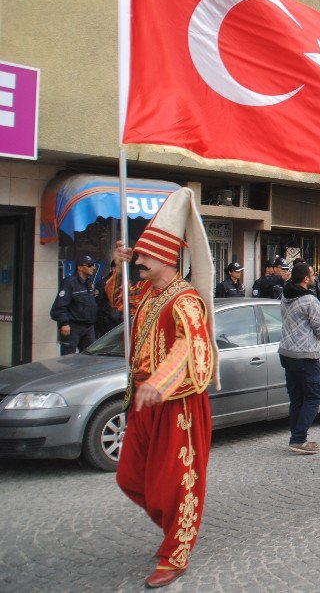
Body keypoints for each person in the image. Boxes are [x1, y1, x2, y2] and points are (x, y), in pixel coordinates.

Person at [106, 188, 218, 589]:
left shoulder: (184, 300)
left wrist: (159, 382)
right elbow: (119, 301)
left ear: (166, 258)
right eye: (136, 256)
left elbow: (191, 348)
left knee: (178, 479)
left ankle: (176, 551)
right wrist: (116, 267)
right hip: (143, 400)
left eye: (142, 256)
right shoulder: (148, 293)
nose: (138, 260)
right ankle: (172, 525)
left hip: (177, 402)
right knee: (132, 476)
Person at [279, 262, 320, 454]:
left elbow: (308, 312)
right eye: (312, 275)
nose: (315, 277)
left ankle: (296, 437)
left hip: (286, 352)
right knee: (314, 395)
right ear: (306, 279)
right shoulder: (309, 299)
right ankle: (299, 438)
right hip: (305, 354)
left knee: (297, 396)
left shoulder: (286, 294)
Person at [50, 254, 99, 355]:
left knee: (89, 358)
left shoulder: (88, 283)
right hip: (73, 327)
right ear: (80, 267)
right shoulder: (69, 283)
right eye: (89, 265)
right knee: (68, 359)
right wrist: (64, 323)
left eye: (93, 265)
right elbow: (59, 307)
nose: (93, 267)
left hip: (89, 327)